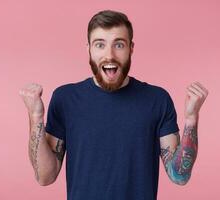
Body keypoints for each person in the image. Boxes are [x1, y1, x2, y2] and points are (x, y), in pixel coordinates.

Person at [19, 10, 208, 200]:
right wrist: (35, 117)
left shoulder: (157, 100)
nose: (109, 55)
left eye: (119, 44)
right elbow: (45, 177)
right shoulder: (65, 99)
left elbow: (179, 176)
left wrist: (191, 119)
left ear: (131, 48)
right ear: (89, 50)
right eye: (100, 44)